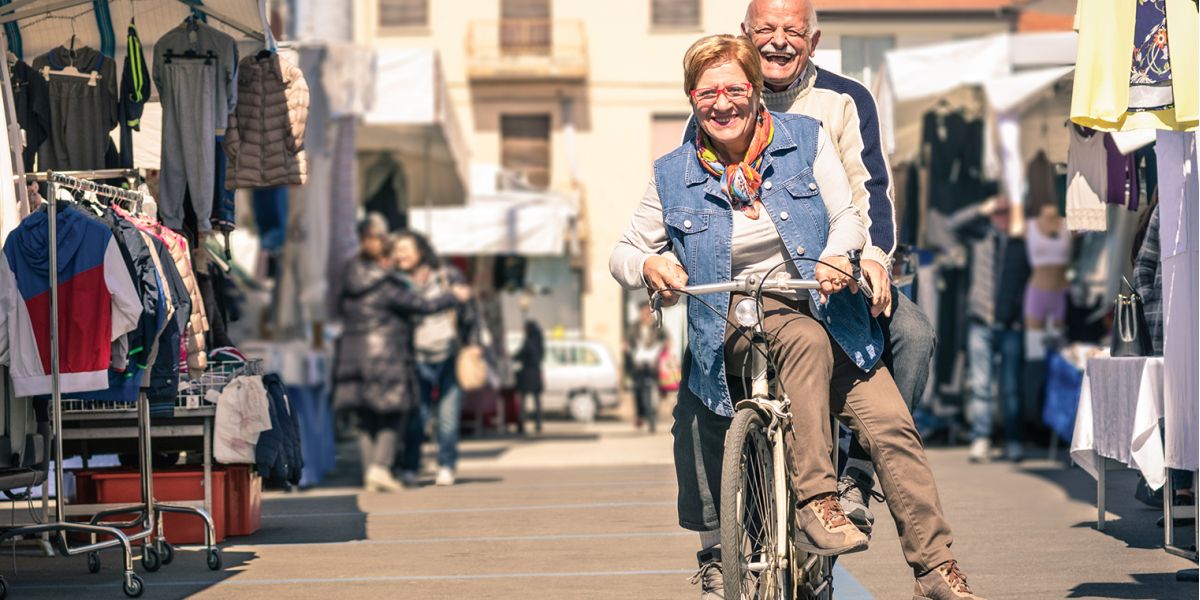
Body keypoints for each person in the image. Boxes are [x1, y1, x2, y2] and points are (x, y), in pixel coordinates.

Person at [609, 35, 984, 600]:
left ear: (756, 92)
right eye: (708, 92)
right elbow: (621, 253)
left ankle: (935, 568)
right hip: (738, 318)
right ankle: (817, 501)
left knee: (892, 426)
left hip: (832, 309)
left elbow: (847, 215)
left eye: (735, 88)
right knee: (800, 337)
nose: (723, 103)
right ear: (692, 99)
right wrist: (649, 264)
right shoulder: (671, 174)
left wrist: (839, 252)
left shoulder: (805, 140)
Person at [736, 0, 938, 532]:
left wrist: (872, 258)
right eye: (766, 29)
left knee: (914, 335)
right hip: (755, 284)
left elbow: (871, 188)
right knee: (699, 381)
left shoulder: (846, 98)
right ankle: (718, 541)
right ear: (744, 34)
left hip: (835, 274)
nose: (778, 41)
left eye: (793, 31)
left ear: (814, 39)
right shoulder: (722, 98)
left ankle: (858, 474)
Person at [333, 228, 471, 492]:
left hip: (352, 357)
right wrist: (454, 296)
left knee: (366, 418)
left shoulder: (350, 282)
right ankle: (380, 467)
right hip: (384, 357)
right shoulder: (384, 285)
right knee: (393, 414)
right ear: (383, 260)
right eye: (392, 257)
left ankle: (370, 472)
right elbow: (424, 306)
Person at [947, 190, 1030, 463]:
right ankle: (981, 438)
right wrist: (983, 208)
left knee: (1010, 386)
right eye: (998, 213)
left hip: (1012, 324)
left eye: (1007, 213)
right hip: (980, 321)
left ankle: (1013, 440)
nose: (1002, 218)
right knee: (981, 385)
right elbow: (953, 225)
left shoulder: (1023, 242)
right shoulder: (980, 237)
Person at [393, 231, 480, 488]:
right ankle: (410, 467)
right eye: (397, 249)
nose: (401, 254)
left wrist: (474, 343)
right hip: (415, 357)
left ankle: (446, 465)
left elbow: (469, 310)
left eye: (406, 248)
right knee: (416, 418)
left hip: (449, 354)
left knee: (448, 417)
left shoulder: (447, 276)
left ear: (421, 251)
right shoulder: (396, 281)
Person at [626, 304, 666, 431]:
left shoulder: (657, 326)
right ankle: (640, 415)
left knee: (655, 387)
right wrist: (626, 346)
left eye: (647, 312)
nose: (645, 315)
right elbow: (628, 340)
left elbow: (665, 339)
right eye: (643, 312)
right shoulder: (635, 326)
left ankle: (653, 413)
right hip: (638, 362)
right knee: (637, 388)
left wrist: (666, 347)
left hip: (654, 362)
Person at [514, 319, 545, 434]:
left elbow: (521, 354)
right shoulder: (539, 341)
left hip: (527, 372)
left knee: (523, 400)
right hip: (536, 372)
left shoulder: (529, 341)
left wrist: (512, 357)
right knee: (536, 400)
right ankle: (538, 423)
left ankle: (521, 424)